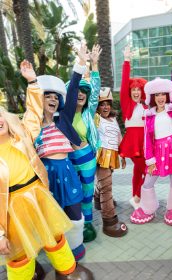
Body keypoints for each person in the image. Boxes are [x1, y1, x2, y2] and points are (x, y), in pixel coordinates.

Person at [0, 60, 93, 280]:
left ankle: (68, 268)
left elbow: (33, 112)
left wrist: (33, 81)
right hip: (13, 203)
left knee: (55, 232)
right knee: (20, 246)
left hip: (42, 189)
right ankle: (27, 272)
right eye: (47, 96)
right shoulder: (33, 130)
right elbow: (35, 114)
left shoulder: (23, 135)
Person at [34, 43, 88, 261]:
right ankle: (58, 254)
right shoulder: (32, 125)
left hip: (67, 170)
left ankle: (75, 247)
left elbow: (74, 88)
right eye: (48, 97)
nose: (53, 100)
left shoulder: (63, 119)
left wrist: (81, 63)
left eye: (56, 98)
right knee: (50, 216)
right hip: (46, 176)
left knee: (75, 212)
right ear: (41, 100)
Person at [130, 52, 172, 226]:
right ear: (152, 97)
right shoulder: (148, 115)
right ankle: (148, 207)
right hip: (157, 151)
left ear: (167, 95)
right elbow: (147, 140)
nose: (161, 97)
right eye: (157, 95)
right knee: (148, 182)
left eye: (163, 94)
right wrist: (150, 160)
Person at [67, 44, 102, 243]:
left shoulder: (88, 113)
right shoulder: (63, 115)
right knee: (74, 193)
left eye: (84, 91)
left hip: (87, 157)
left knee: (88, 192)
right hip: (69, 160)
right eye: (77, 90)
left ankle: (87, 223)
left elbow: (96, 90)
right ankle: (74, 224)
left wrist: (94, 64)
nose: (81, 93)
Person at [94, 87, 128, 237]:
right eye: (102, 104)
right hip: (101, 155)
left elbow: (119, 136)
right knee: (107, 189)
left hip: (112, 154)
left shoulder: (113, 119)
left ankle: (97, 198)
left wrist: (123, 155)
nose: (105, 107)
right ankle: (109, 221)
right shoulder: (95, 118)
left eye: (108, 103)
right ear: (97, 106)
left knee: (105, 183)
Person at [119, 45, 147, 209]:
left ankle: (137, 196)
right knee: (140, 168)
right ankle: (138, 196)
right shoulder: (127, 103)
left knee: (141, 170)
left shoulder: (146, 106)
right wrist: (127, 60)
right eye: (133, 89)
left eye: (138, 89)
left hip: (146, 142)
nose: (136, 92)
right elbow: (123, 83)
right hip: (132, 142)